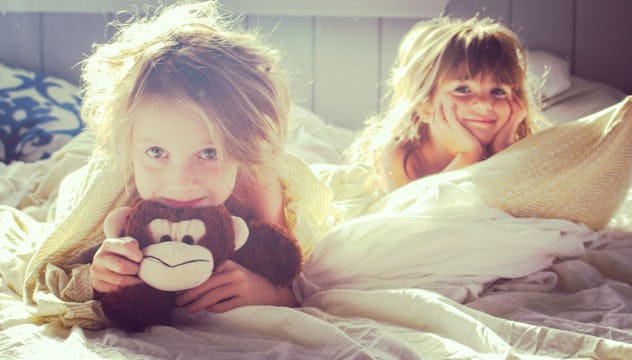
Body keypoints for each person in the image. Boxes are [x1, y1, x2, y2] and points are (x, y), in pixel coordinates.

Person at [78, 0, 334, 317]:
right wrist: (99, 276)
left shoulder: (254, 182)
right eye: (157, 152)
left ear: (242, 145)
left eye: (209, 153)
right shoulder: (124, 179)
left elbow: (290, 276)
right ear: (130, 146)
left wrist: (265, 291)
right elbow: (65, 259)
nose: (181, 181)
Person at [347, 16, 547, 192]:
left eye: (498, 91)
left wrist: (501, 148)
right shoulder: (400, 154)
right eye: (462, 89)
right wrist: (468, 155)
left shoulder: (513, 147)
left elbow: (515, 205)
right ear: (425, 105)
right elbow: (413, 215)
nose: (485, 104)